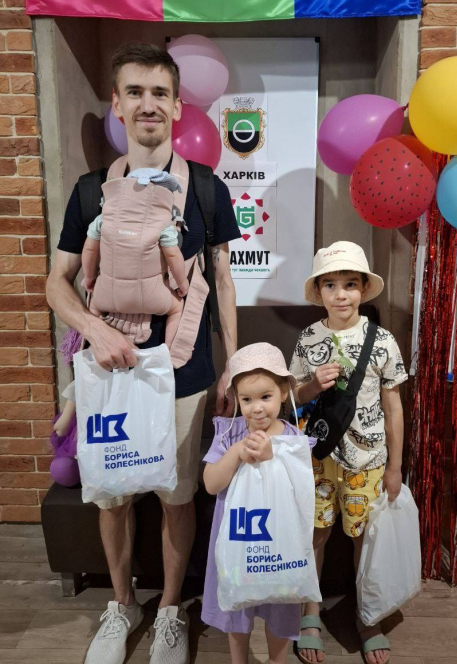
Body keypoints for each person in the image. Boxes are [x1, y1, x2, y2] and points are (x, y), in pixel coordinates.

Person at [46, 42, 241, 664]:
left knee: (177, 497)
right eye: (135, 92)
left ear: (179, 106)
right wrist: (94, 329)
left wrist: (233, 364)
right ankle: (122, 604)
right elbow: (57, 283)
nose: (148, 104)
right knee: (112, 496)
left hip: (184, 371)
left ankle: (169, 612)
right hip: (110, 371)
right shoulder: (89, 193)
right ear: (117, 104)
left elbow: (223, 280)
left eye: (160, 93)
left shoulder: (207, 190)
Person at [289, 241, 407, 664]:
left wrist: (395, 467)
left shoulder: (383, 341)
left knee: (365, 541)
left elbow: (394, 407)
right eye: (331, 285)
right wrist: (311, 385)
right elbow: (292, 398)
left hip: (369, 462)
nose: (341, 294)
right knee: (315, 534)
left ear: (363, 289)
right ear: (319, 291)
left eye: (350, 284)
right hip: (317, 459)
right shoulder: (309, 338)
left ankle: (368, 615)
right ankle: (309, 613)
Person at [201, 343, 316, 664]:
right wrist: (237, 453)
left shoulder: (294, 441)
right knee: (237, 612)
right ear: (236, 399)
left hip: (280, 548)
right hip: (239, 544)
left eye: (265, 397)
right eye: (247, 400)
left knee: (281, 612)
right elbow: (211, 484)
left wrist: (274, 455)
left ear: (283, 392)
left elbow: (301, 490)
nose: (256, 409)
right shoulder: (229, 434)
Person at [81, 167, 189, 347]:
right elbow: (173, 255)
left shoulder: (103, 219)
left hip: (107, 294)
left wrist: (90, 277)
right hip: (152, 296)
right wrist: (182, 283)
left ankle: (96, 344)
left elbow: (90, 250)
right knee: (177, 308)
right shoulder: (163, 225)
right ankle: (169, 351)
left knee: (94, 306)